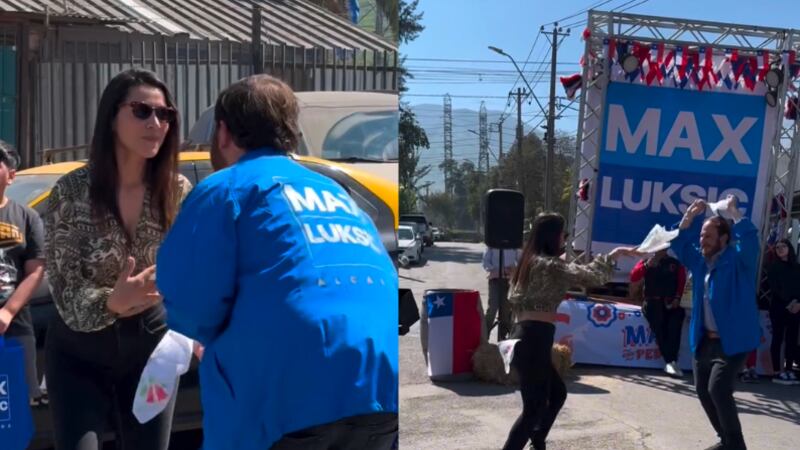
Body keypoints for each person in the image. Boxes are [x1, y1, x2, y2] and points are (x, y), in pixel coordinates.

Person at [156, 74, 398, 450]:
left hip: (285, 400)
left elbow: (189, 305)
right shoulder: (335, 192)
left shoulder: (227, 189)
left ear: (222, 133)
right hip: (381, 390)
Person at [44, 69, 190, 450]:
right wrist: (113, 301)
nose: (155, 123)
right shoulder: (73, 191)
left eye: (165, 114)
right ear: (112, 117)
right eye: (142, 111)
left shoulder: (177, 191)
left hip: (152, 350)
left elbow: (195, 271)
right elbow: (62, 286)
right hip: (79, 353)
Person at [503, 212, 637, 450]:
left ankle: (538, 441)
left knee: (556, 394)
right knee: (533, 409)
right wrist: (612, 256)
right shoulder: (550, 265)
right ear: (553, 236)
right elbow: (592, 277)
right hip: (533, 337)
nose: (565, 238)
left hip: (526, 335)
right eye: (563, 234)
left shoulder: (528, 262)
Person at [670, 196, 761, 450]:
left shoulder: (739, 261)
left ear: (724, 239)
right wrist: (689, 217)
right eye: (701, 235)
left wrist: (734, 213)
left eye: (708, 236)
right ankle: (727, 440)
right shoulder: (700, 262)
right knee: (703, 391)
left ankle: (736, 445)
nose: (702, 241)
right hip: (705, 340)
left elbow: (751, 241)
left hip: (733, 340)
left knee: (718, 389)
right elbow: (680, 243)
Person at [0, 141, 46, 405]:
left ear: (11, 176)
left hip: (15, 326)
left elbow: (36, 270)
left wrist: (7, 311)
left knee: (15, 408)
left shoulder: (27, 217)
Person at [629, 248, 687, 377]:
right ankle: (670, 361)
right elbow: (634, 276)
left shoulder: (674, 263)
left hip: (671, 302)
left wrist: (677, 297)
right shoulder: (646, 261)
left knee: (674, 327)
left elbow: (682, 281)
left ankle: (672, 361)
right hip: (652, 302)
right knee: (659, 328)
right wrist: (647, 265)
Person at [766, 238, 800, 385]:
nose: (780, 249)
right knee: (778, 339)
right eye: (777, 247)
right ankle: (776, 372)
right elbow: (775, 289)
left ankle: (789, 370)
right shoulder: (773, 267)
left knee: (792, 340)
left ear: (789, 248)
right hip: (779, 307)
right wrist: (789, 303)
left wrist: (798, 303)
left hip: (796, 308)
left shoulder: (797, 267)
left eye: (783, 246)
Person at [482, 246, 521, 341]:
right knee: (492, 308)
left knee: (506, 310)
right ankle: (484, 337)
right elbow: (485, 262)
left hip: (509, 280)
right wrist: (495, 270)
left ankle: (503, 338)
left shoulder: (514, 245)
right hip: (495, 280)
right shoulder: (492, 244)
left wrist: (514, 269)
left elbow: (521, 261)